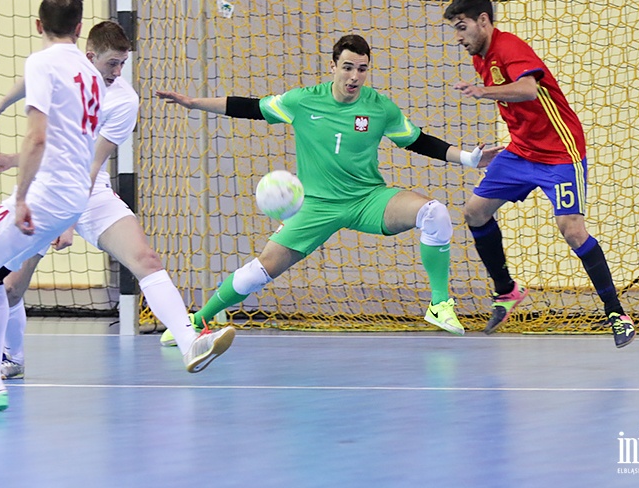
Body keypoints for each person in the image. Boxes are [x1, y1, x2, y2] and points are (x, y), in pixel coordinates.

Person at [156, 34, 501, 340]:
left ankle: (439, 304)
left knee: (434, 212)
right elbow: (250, 107)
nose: (354, 77)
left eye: (362, 69)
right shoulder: (303, 101)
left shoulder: (379, 107)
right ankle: (197, 321)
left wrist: (469, 159)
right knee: (259, 272)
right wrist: (193, 103)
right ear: (333, 65)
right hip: (315, 206)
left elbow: (418, 141)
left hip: (367, 199)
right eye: (348, 67)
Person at [0, 21, 235, 378]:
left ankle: (190, 340)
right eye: (112, 63)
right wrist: (3, 115)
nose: (117, 71)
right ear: (90, 56)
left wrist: (67, 221)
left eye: (122, 63)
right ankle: (10, 358)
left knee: (145, 257)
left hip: (89, 190)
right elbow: (45, 124)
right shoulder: (64, 72)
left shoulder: (125, 100)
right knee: (11, 286)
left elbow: (89, 164)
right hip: (45, 189)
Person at [0, 0, 108, 417]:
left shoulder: (42, 61)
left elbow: (37, 137)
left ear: (38, 25)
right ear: (79, 28)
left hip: (47, 192)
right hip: (74, 194)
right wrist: (0, 105)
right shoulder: (88, 70)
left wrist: (19, 197)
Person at [443, 0, 635, 347]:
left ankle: (616, 313)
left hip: (560, 152)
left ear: (483, 21)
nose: (458, 36)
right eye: (455, 29)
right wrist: (511, 144)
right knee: (474, 212)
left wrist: (482, 92)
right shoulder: (479, 56)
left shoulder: (509, 47)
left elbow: (529, 90)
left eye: (462, 26)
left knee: (572, 229)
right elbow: (518, 106)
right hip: (521, 152)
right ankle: (507, 290)